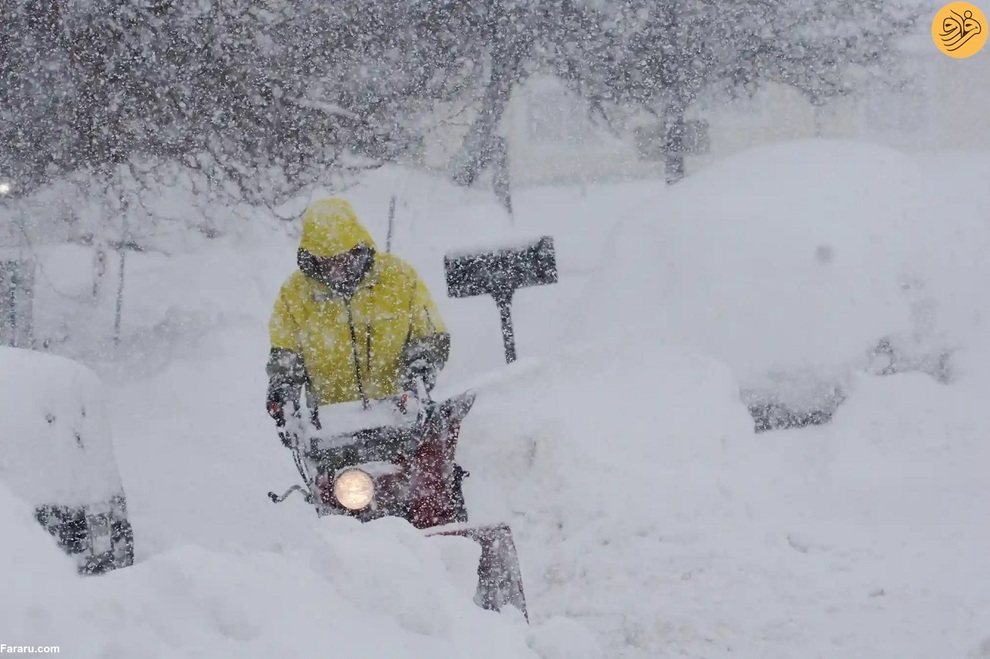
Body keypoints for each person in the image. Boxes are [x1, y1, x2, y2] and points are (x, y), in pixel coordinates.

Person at [265, 197, 450, 434]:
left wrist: (419, 369)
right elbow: (286, 354)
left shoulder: (399, 278)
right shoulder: (295, 294)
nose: (335, 269)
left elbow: (431, 336)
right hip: (332, 429)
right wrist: (283, 390)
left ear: (356, 248)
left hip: (400, 419)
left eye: (341, 258)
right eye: (326, 261)